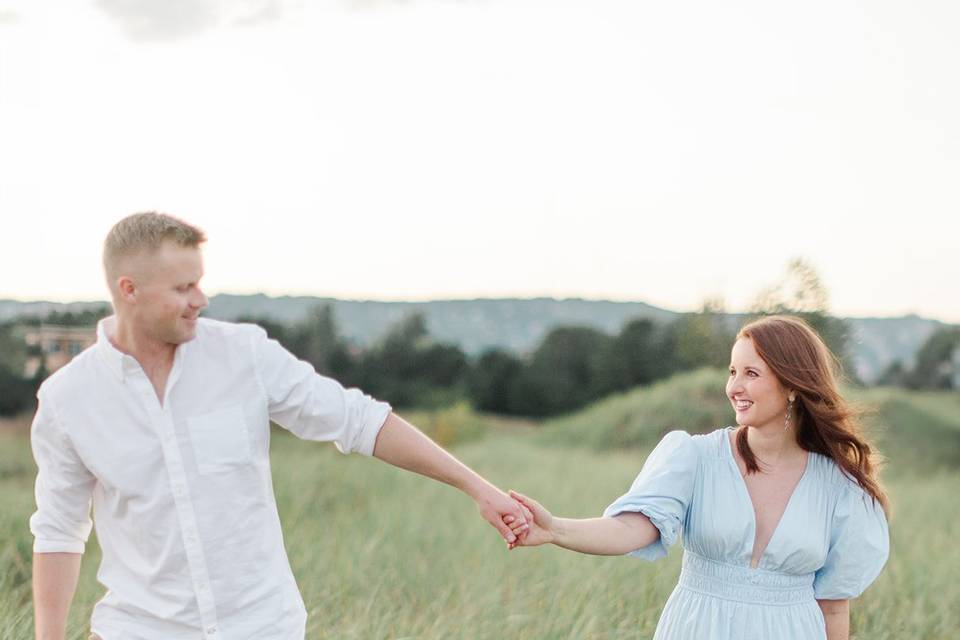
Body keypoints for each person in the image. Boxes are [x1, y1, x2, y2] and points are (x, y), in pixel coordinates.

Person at [29, 212, 530, 640]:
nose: (200, 299)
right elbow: (58, 531)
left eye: (200, 282)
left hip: (261, 626)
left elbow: (360, 420)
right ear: (129, 290)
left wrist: (477, 487)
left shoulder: (243, 354)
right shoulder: (67, 399)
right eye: (183, 288)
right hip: (138, 629)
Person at [506, 315, 889, 640]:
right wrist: (555, 529)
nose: (733, 387)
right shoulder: (696, 457)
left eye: (751, 374)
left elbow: (834, 608)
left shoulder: (840, 487)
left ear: (792, 385)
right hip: (699, 626)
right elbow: (629, 529)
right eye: (732, 371)